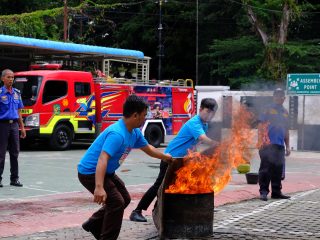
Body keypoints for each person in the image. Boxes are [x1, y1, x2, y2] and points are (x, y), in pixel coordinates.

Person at [77, 94, 173, 240]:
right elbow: (102, 159)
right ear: (135, 115)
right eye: (143, 115)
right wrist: (99, 187)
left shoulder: (134, 132)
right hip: (90, 172)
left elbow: (148, 148)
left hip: (107, 172)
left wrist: (167, 158)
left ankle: (94, 224)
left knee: (125, 199)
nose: (144, 119)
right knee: (116, 202)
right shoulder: (117, 134)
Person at [130, 98, 219, 222]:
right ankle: (137, 211)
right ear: (200, 110)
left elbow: (193, 142)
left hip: (183, 159)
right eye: (207, 111)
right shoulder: (195, 122)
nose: (210, 115)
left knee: (181, 185)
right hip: (171, 158)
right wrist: (218, 144)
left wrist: (195, 155)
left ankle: (176, 210)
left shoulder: (205, 124)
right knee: (159, 186)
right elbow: (203, 139)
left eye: (212, 113)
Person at [258, 88, 291, 201]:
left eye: (281, 96)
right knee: (266, 169)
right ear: (273, 97)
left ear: (284, 98)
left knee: (278, 169)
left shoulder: (285, 112)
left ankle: (276, 192)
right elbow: (261, 126)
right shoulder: (267, 109)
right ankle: (263, 192)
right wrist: (260, 141)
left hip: (280, 145)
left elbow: (286, 130)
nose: (279, 98)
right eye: (276, 96)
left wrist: (288, 146)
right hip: (267, 144)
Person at [0, 69, 26, 188]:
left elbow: (19, 111)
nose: (11, 79)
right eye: (9, 77)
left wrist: (22, 127)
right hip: (3, 125)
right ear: (3, 79)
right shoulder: (0, 93)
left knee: (15, 153)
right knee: (1, 153)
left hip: (14, 125)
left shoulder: (17, 93)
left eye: (12, 77)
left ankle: (14, 179)